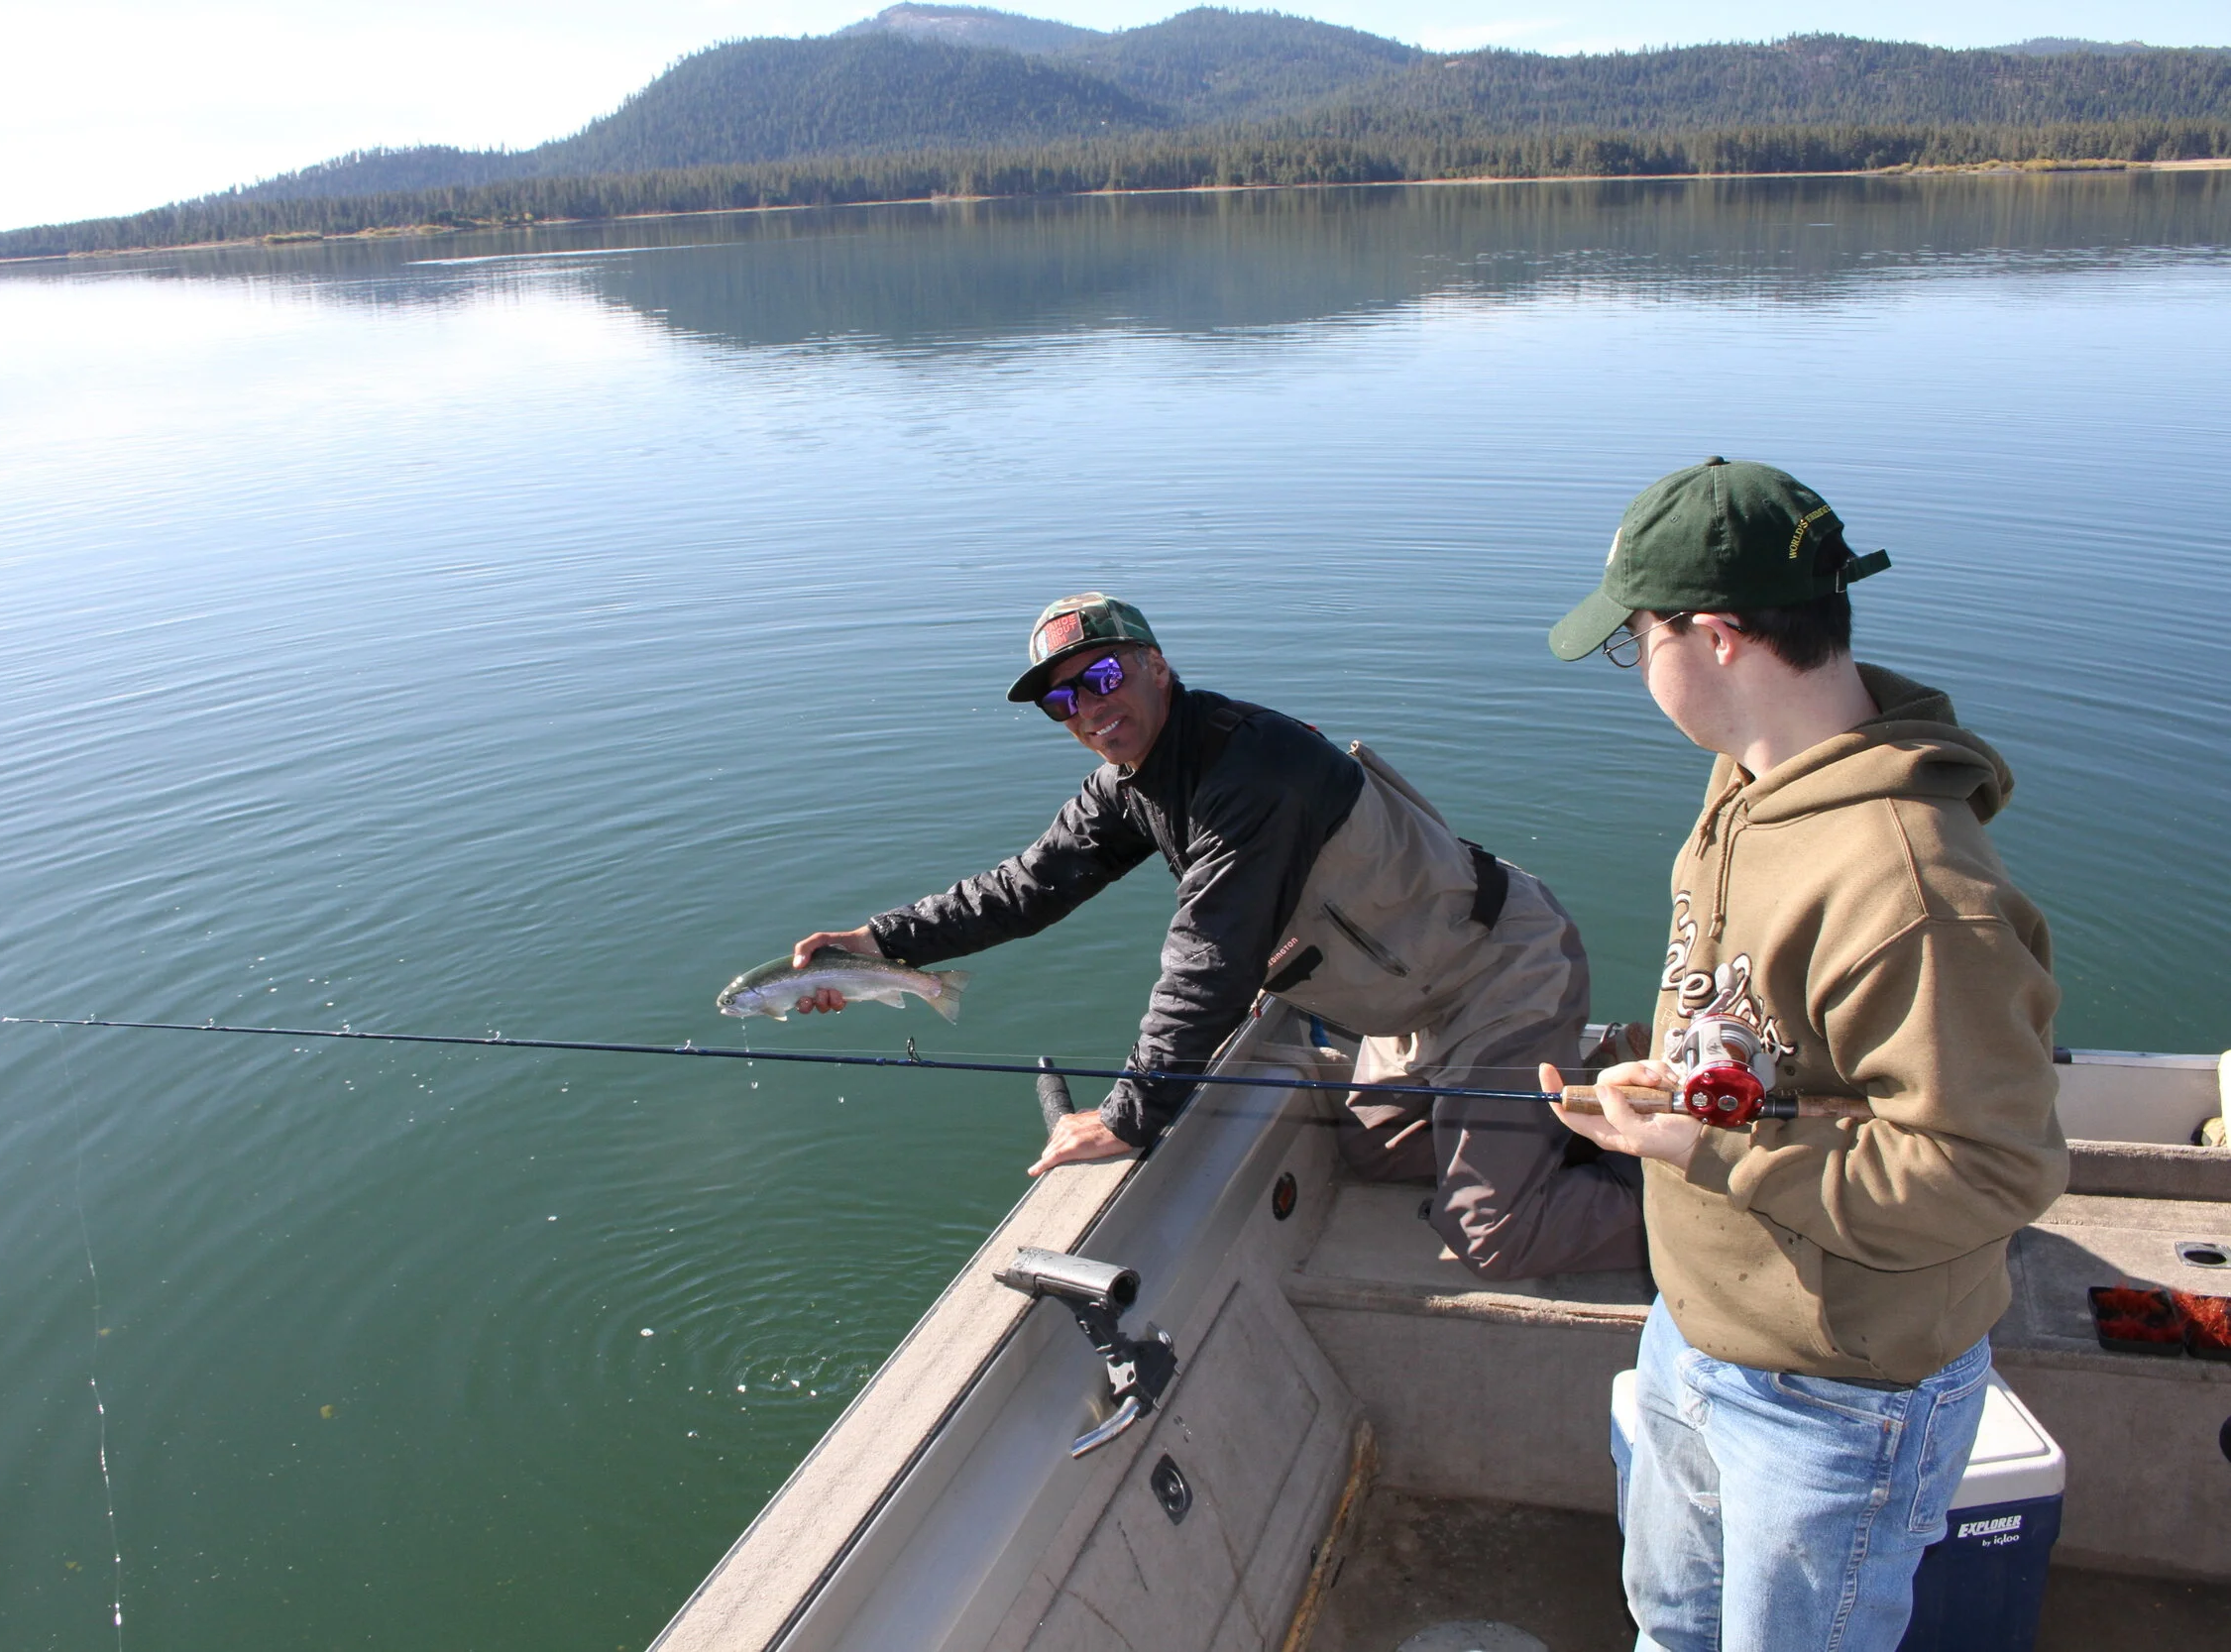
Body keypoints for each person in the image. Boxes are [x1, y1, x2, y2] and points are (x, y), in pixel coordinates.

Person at [1540, 459, 2069, 1650]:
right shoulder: (1744, 786)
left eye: (1635, 640)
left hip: (1838, 1392)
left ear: (1715, 636)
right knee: (1669, 1625)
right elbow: (1769, 1032)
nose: (1638, 671)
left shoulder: (1917, 886)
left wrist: (1709, 1149)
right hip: (1696, 1325)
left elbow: (1987, 1171)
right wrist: (1660, 1077)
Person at [791, 592, 1645, 1279]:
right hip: (1409, 1007)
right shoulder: (1131, 783)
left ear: (1157, 666)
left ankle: (1709, 1214)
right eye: (1062, 701)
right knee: (1367, 1149)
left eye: (1103, 677)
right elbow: (1024, 888)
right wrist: (879, 941)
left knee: (1491, 1234)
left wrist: (1131, 1116)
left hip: (1496, 973)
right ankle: (1571, 1103)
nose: (1088, 709)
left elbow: (1210, 960)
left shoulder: (1252, 771)